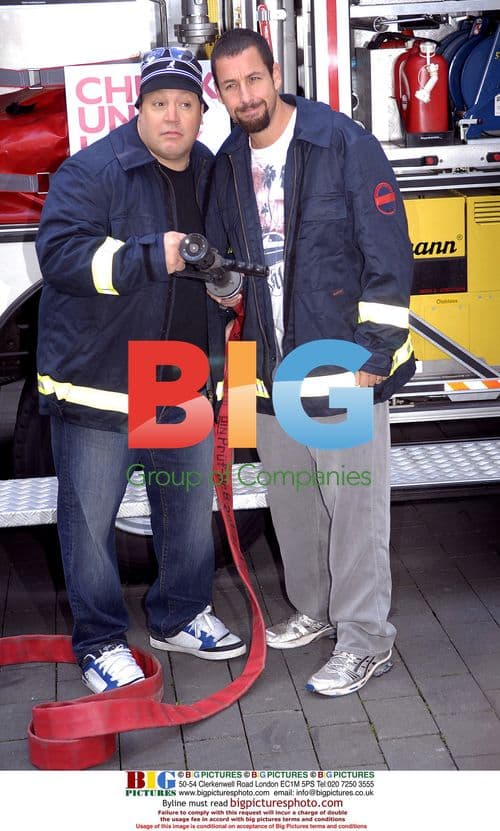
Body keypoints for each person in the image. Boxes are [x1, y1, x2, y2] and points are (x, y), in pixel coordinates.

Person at [206, 28, 415, 696]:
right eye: (231, 86)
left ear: (276, 73)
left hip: (339, 359)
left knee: (354, 507)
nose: (245, 96)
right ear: (220, 92)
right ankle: (317, 611)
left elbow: (387, 252)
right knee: (294, 503)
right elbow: (230, 274)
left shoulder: (341, 144)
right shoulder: (228, 162)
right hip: (267, 367)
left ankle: (365, 638)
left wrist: (375, 355)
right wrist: (218, 284)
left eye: (253, 80)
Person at [36, 47, 245, 695]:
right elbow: (63, 255)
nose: (173, 116)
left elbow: (234, 254)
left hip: (178, 374)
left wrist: (228, 279)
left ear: (201, 113)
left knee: (185, 511)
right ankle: (99, 642)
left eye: (186, 103)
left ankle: (179, 614)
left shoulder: (214, 174)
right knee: (90, 524)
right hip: (99, 377)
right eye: (160, 103)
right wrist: (150, 256)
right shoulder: (94, 170)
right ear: (139, 108)